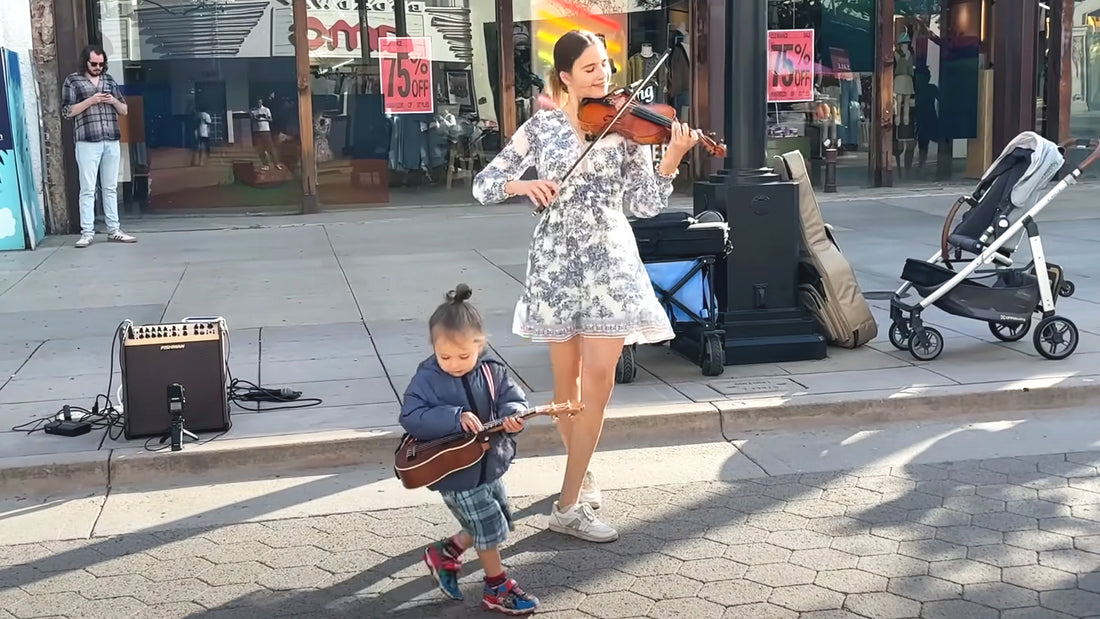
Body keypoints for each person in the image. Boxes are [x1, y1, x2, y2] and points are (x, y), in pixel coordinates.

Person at [472, 30, 700, 543]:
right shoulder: (542, 128)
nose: (603, 77)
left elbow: (643, 204)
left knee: (600, 381)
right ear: (566, 77)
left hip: (611, 263)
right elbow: (484, 183)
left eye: (606, 67)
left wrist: (670, 160)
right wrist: (522, 184)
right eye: (592, 68)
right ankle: (583, 467)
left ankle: (568, 502)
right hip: (555, 264)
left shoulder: (625, 129)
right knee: (565, 389)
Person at [400, 284, 540, 615]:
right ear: (433, 347)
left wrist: (513, 418)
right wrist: (453, 416)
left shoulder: (493, 370)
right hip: (454, 470)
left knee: (498, 517)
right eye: (444, 355)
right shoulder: (427, 379)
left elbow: (513, 399)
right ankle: (497, 587)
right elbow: (411, 416)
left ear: (480, 344)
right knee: (489, 527)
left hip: (489, 461)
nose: (453, 363)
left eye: (464, 355)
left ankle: (447, 551)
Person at [61, 44, 137, 248]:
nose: (97, 67)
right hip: (87, 140)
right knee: (87, 189)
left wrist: (112, 100)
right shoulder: (73, 81)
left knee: (110, 187)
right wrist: (91, 100)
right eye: (93, 63)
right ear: (85, 61)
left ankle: (114, 230)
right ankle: (87, 232)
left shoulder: (109, 80)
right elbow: (67, 111)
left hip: (111, 139)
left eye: (101, 64)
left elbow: (124, 110)